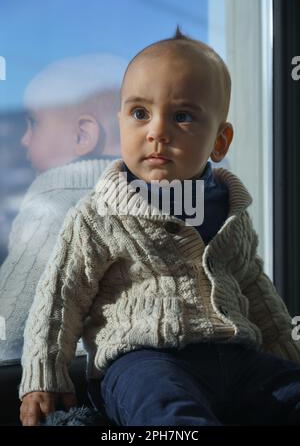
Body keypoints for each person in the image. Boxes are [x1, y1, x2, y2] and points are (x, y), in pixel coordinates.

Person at [19, 28, 300, 427]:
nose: (157, 131)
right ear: (120, 127)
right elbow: (61, 298)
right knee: (168, 414)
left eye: (182, 116)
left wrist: (286, 356)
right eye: (140, 114)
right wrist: (43, 375)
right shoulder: (98, 214)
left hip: (239, 361)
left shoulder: (230, 209)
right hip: (143, 361)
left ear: (220, 141)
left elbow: (256, 290)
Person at [0, 54, 127, 362]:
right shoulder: (159, 195)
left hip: (67, 381)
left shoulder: (53, 201)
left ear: (82, 136)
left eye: (33, 123)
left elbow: (10, 321)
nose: (26, 140)